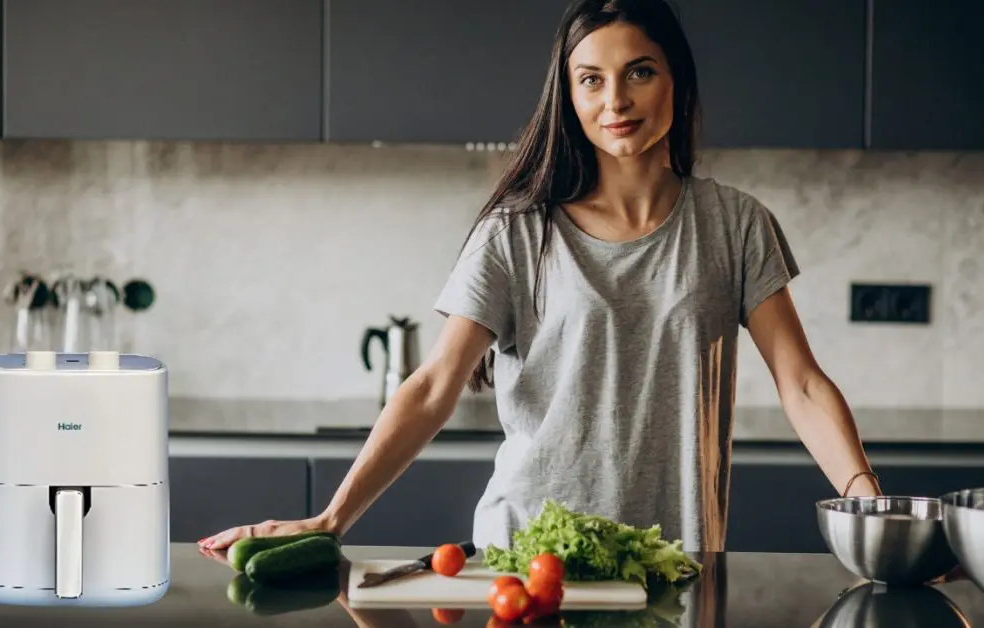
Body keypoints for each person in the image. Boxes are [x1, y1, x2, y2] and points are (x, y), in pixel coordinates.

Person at [198, 0, 882, 554]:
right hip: (529, 562)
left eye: (639, 71)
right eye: (591, 79)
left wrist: (869, 505)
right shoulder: (516, 233)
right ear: (570, 95)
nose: (615, 98)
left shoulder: (736, 224)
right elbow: (434, 387)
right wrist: (331, 520)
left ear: (677, 79)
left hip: (673, 565)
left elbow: (801, 384)